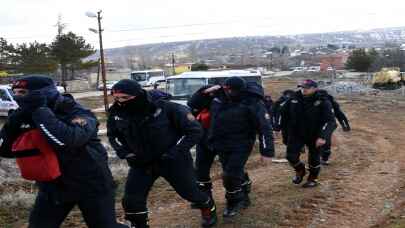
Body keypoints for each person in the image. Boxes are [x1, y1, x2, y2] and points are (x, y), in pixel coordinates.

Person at [0, 75, 125, 228]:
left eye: (23, 93)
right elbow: (4, 150)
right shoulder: (24, 115)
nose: (18, 97)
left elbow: (67, 141)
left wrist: (41, 112)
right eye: (16, 93)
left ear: (44, 93)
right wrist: (14, 124)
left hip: (91, 183)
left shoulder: (77, 112)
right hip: (53, 187)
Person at [107, 79, 217, 228]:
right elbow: (113, 135)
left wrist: (174, 152)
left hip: (173, 161)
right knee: (131, 200)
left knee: (191, 193)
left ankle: (207, 208)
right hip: (141, 163)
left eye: (125, 98)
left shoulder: (168, 109)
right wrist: (125, 152)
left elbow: (194, 131)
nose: (120, 101)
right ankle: (139, 224)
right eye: (117, 98)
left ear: (138, 95)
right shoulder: (116, 113)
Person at [188, 77, 274, 219]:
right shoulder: (217, 96)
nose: (227, 92)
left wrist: (267, 151)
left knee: (230, 175)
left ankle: (234, 202)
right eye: (226, 89)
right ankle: (236, 193)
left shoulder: (252, 102)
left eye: (231, 90)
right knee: (230, 171)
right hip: (218, 141)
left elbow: (264, 127)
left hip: (241, 143)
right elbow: (192, 104)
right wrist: (203, 92)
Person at [280, 79, 337, 188]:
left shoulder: (323, 101)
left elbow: (331, 121)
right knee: (290, 156)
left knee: (314, 158)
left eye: (307, 87)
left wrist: (323, 136)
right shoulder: (293, 99)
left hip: (315, 134)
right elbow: (283, 114)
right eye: (302, 87)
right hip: (296, 133)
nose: (303, 89)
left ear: (315, 88)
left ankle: (313, 178)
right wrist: (281, 129)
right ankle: (300, 170)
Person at [316, 89, 351, 165]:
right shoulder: (312, 101)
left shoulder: (330, 102)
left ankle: (324, 158)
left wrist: (345, 125)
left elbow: (340, 115)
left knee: (325, 139)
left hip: (330, 123)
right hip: (317, 123)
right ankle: (319, 155)